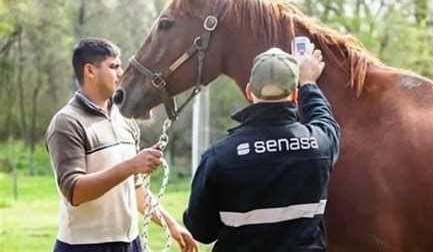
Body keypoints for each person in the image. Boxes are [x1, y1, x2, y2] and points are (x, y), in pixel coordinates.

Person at [45, 38, 198, 252]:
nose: (121, 73)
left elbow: (135, 189)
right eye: (114, 66)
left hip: (131, 244)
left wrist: (172, 226)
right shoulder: (66, 123)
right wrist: (132, 165)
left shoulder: (124, 119)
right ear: (90, 71)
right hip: (84, 247)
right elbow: (74, 192)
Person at [183, 46, 340, 251]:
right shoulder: (321, 144)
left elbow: (201, 231)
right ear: (294, 95)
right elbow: (324, 119)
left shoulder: (218, 157)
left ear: (249, 91)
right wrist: (309, 84)